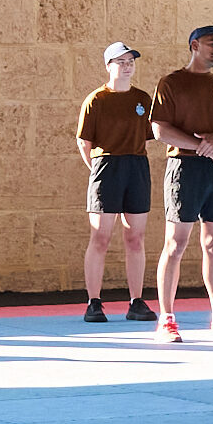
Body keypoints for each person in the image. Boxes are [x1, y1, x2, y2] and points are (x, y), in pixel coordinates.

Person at [150, 25, 213, 343]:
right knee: (175, 245)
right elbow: (160, 130)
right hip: (184, 170)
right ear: (194, 45)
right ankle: (166, 319)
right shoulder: (172, 83)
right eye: (212, 44)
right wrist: (203, 147)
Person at [75, 41, 158, 324]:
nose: (127, 66)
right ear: (108, 66)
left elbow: (152, 133)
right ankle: (94, 302)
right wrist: (98, 171)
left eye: (130, 61)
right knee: (101, 237)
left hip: (136, 167)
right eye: (120, 61)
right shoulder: (96, 100)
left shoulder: (143, 99)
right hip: (106, 167)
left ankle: (136, 301)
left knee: (135, 238)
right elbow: (84, 142)